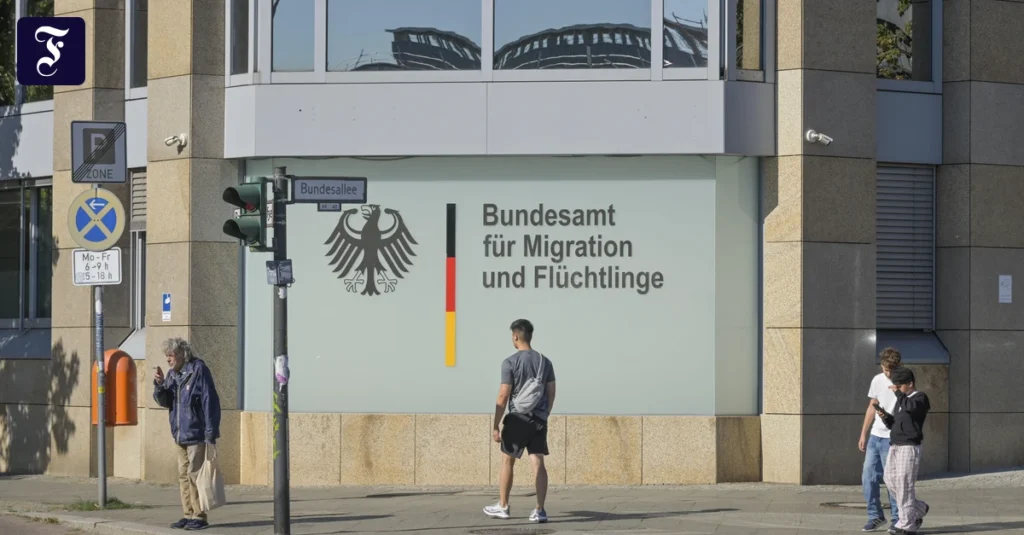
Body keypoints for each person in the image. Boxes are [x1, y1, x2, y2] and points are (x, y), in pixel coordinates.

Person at [483, 319, 556, 524]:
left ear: (515, 336)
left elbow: (503, 395)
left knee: (508, 460)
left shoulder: (510, 362)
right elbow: (551, 392)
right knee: (538, 462)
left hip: (517, 419)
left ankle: (503, 506)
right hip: (539, 420)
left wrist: (496, 425)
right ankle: (540, 510)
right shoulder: (545, 362)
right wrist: (544, 414)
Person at [153, 337, 222, 531]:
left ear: (183, 354)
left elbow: (209, 400)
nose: (168, 359)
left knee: (194, 475)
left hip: (196, 432)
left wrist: (210, 432)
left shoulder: (198, 370)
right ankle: (188, 514)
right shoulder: (172, 374)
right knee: (183, 475)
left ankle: (199, 516)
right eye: (166, 356)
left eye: (171, 355)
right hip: (179, 433)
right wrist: (159, 385)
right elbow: (165, 401)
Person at [877, 366, 931, 535]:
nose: (898, 389)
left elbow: (912, 408)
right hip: (895, 445)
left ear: (910, 383)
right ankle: (919, 509)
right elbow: (897, 424)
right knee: (890, 480)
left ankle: (907, 524)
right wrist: (886, 417)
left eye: (900, 386)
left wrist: (899, 394)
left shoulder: (919, 398)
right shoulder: (904, 402)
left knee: (904, 484)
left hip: (909, 447)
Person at [858, 347, 902, 532]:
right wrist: (863, 433)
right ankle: (875, 516)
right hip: (875, 436)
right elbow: (872, 406)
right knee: (868, 477)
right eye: (885, 370)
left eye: (891, 370)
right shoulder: (877, 380)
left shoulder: (904, 381)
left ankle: (898, 518)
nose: (888, 374)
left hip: (892, 438)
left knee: (892, 480)